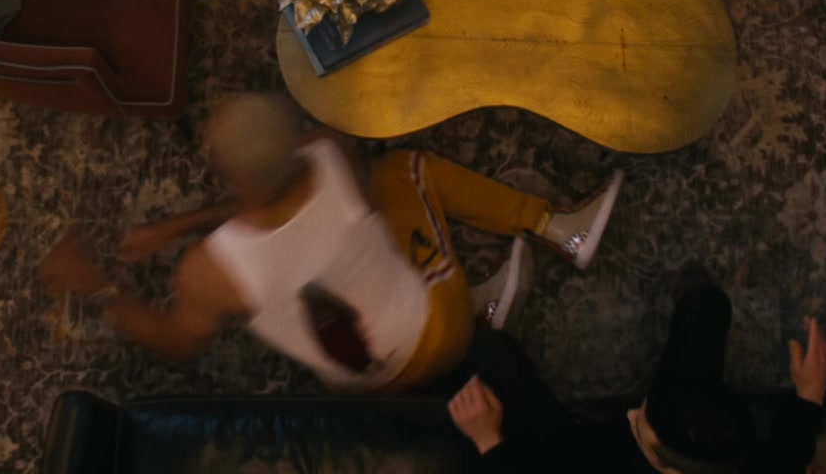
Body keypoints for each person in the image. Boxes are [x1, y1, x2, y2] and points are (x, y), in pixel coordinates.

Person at [37, 91, 624, 394]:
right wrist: (178, 225)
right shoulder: (328, 152)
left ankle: (534, 260)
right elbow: (275, 198)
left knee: (398, 181)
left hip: (376, 379)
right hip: (428, 329)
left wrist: (99, 286)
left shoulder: (211, 271)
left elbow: (177, 343)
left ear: (233, 177)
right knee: (399, 172)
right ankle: (545, 226)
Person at [445, 263, 826, 474]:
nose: (629, 415)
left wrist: (488, 440)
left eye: (639, 428)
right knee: (705, 304)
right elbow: (791, 450)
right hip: (674, 425)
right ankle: (694, 290)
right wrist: (810, 394)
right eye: (640, 412)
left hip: (580, 464)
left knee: (488, 352)